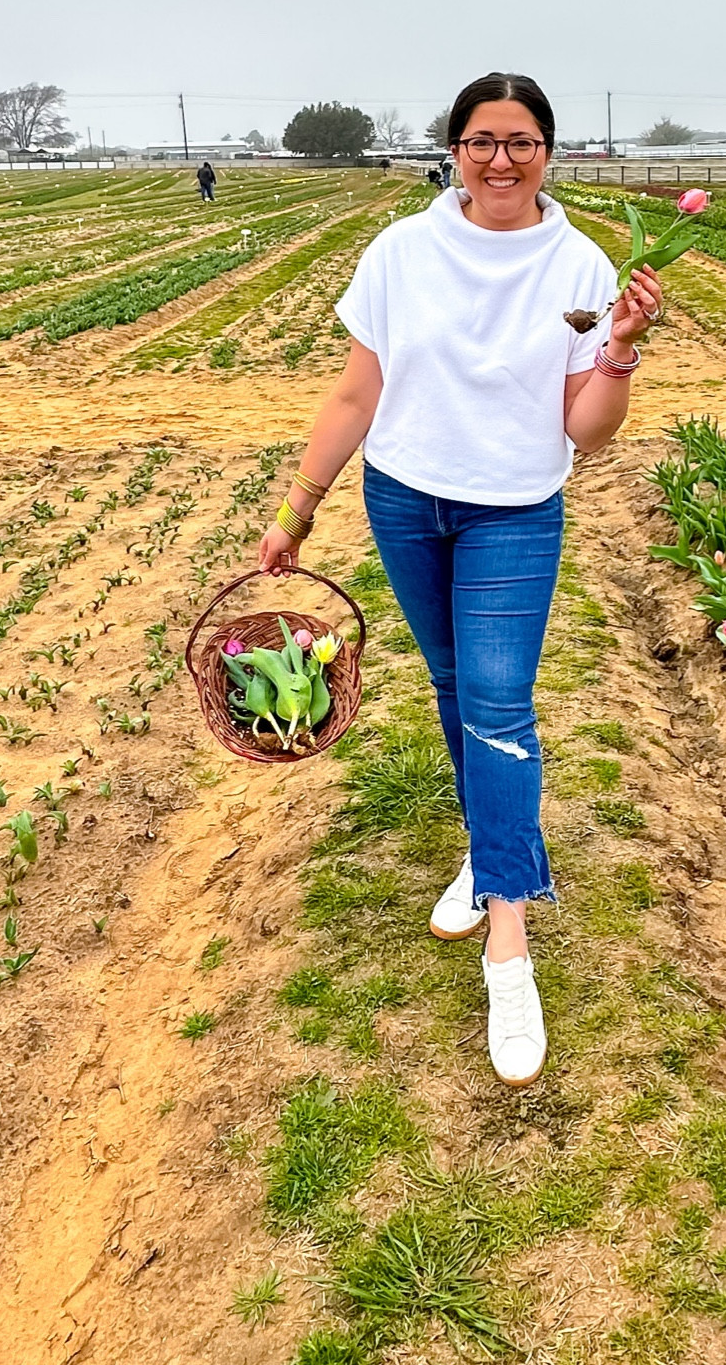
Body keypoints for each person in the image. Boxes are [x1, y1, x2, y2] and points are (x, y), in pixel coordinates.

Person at [256, 70, 663, 1087]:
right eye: (483, 138)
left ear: (549, 152)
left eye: (521, 140)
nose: (500, 159)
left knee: (497, 700)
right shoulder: (402, 251)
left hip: (514, 509)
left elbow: (586, 430)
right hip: (406, 501)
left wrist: (617, 354)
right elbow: (358, 390)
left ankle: (510, 941)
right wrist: (297, 507)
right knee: (451, 686)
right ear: (454, 149)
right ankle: (488, 854)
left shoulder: (580, 262)